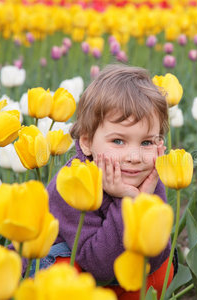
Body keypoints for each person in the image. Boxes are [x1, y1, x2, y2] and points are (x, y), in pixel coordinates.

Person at [28, 64, 176, 299]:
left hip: (111, 275)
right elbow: (98, 265)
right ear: (86, 142)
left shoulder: (147, 177)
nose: (134, 157)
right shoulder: (73, 183)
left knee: (163, 271)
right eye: (118, 141)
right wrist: (126, 200)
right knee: (64, 268)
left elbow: (156, 254)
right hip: (71, 269)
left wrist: (142, 201)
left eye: (147, 142)